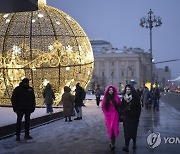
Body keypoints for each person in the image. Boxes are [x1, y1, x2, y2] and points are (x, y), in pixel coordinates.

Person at [120, 84, 141, 152]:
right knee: (126, 132)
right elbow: (121, 107)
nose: (127, 91)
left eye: (129, 89)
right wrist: (123, 114)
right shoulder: (124, 98)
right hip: (126, 118)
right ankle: (126, 146)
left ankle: (134, 142)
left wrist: (137, 116)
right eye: (126, 89)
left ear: (131, 90)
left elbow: (139, 108)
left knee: (133, 132)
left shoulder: (135, 98)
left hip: (134, 118)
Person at [101, 85, 121, 150]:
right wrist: (106, 114)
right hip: (108, 117)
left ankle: (113, 143)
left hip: (115, 116)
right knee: (110, 129)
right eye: (109, 90)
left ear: (114, 90)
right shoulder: (105, 98)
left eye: (112, 90)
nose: (111, 91)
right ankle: (112, 143)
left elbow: (120, 105)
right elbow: (103, 107)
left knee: (114, 129)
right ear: (107, 91)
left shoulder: (117, 97)